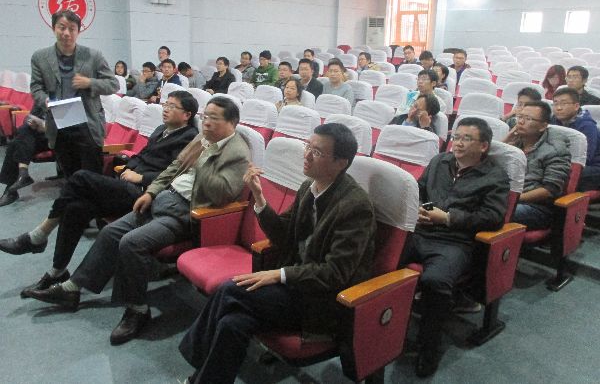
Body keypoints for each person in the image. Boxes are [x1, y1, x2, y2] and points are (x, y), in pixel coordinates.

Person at [27, 96, 251, 345]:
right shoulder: (202, 137)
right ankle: (72, 288)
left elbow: (221, 193)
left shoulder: (237, 153)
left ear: (231, 123)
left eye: (213, 118)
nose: (206, 123)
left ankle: (138, 310)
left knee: (131, 243)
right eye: (205, 116)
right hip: (164, 198)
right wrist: (150, 192)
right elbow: (173, 168)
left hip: (187, 213)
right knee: (111, 232)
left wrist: (204, 158)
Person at [178, 123, 376, 384]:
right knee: (233, 323)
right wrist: (259, 197)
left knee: (229, 290)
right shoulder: (309, 187)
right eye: (308, 146)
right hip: (293, 287)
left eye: (317, 152)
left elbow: (335, 273)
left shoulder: (355, 207)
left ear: (341, 163)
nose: (306, 155)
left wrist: (278, 275)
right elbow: (283, 236)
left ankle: (192, 356)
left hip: (320, 302)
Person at [0, 91, 199, 294]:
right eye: (166, 104)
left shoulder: (189, 138)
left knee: (80, 177)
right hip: (126, 183)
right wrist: (128, 167)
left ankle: (39, 235)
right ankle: (57, 271)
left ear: (187, 115)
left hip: (145, 193)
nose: (165, 109)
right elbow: (142, 156)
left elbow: (176, 174)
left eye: (172, 106)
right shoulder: (160, 129)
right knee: (76, 208)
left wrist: (141, 177)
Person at [399, 117, 509, 378]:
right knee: (380, 256)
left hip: (455, 241)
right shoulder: (440, 161)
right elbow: (419, 190)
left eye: (466, 139)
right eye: (456, 137)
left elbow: (493, 217)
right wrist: (418, 209)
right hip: (421, 231)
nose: (458, 143)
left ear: (483, 146)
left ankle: (429, 348)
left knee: (435, 281)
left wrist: (448, 218)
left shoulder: (495, 176)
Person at [30, 9, 118, 178]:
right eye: (62, 27)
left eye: (72, 29)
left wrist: (89, 82)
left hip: (88, 123)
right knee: (70, 176)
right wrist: (45, 100)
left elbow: (113, 84)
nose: (66, 33)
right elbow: (36, 87)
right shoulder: (40, 57)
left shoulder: (93, 55)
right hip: (59, 122)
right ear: (53, 28)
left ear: (78, 31)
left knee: (93, 175)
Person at [504, 101, 571, 230]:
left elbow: (550, 190)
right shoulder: (515, 143)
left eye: (528, 119)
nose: (520, 122)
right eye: (520, 117)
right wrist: (505, 141)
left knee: (492, 213)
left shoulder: (555, 150)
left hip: (536, 207)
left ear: (542, 126)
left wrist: (512, 199)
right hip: (505, 197)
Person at [551, 87, 600, 191]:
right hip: (563, 161)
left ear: (576, 106)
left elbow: (585, 158)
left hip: (591, 167)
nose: (558, 108)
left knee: (558, 173)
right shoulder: (554, 120)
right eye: (555, 103)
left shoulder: (587, 126)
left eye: (564, 103)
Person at [0, 105, 49, 206]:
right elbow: (29, 116)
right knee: (22, 134)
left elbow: (73, 124)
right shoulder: (42, 100)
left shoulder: (68, 98)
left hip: (60, 137)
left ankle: (12, 189)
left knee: (18, 141)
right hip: (41, 136)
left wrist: (45, 126)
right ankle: (22, 175)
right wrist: (32, 122)